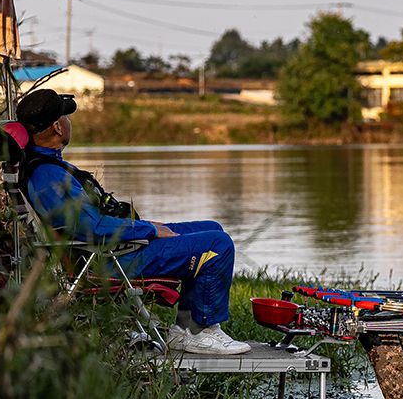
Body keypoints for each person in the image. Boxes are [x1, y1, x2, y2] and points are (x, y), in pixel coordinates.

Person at [15, 88, 250, 355]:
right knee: (217, 244)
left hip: (109, 249)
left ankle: (185, 329)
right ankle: (199, 332)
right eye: (65, 117)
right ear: (57, 127)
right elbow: (93, 228)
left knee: (211, 228)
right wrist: (147, 229)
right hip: (109, 259)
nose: (69, 122)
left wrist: (147, 228)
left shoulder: (46, 166)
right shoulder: (49, 176)